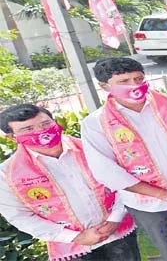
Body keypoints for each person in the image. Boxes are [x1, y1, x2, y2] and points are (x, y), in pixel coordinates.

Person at [80, 57, 167, 261]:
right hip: (148, 203)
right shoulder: (95, 124)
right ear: (104, 86)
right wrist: (162, 194)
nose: (134, 85)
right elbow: (107, 172)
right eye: (124, 81)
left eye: (138, 78)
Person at [0, 104, 139, 261]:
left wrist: (115, 219)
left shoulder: (92, 148)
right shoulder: (7, 174)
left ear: (55, 122)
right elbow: (19, 216)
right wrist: (76, 237)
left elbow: (124, 180)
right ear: (12, 137)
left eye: (45, 124)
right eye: (28, 129)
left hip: (119, 232)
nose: (40, 131)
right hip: (72, 246)